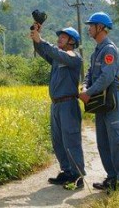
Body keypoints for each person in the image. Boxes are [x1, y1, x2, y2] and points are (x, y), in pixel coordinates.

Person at [79, 12, 119, 192]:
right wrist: (85, 86)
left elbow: (107, 76)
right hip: (100, 101)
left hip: (112, 99)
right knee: (103, 141)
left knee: (117, 140)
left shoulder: (109, 49)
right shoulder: (97, 51)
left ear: (100, 28)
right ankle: (112, 178)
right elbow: (90, 73)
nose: (89, 29)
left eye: (91, 26)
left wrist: (89, 92)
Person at [30, 22, 85, 188]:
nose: (59, 38)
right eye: (59, 36)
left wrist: (42, 40)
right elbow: (43, 50)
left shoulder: (73, 57)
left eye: (63, 36)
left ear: (71, 41)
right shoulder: (57, 58)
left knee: (71, 140)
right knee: (58, 141)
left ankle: (77, 176)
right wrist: (35, 37)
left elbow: (52, 50)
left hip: (68, 104)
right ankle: (66, 171)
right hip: (56, 105)